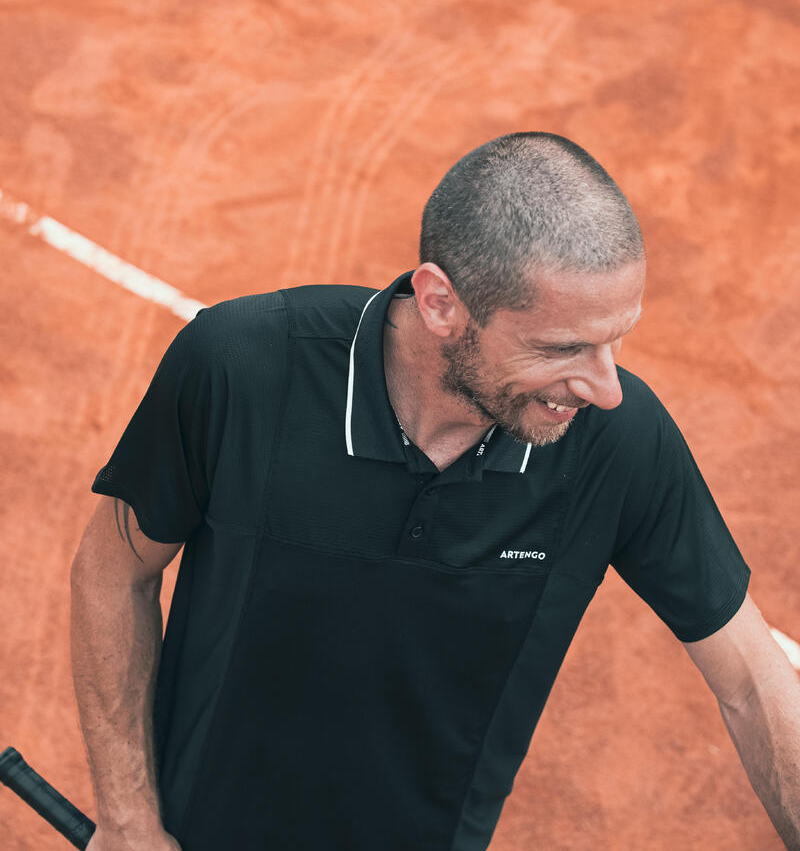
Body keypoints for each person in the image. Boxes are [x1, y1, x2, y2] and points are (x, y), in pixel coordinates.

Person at [70, 131, 800, 851]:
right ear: (440, 303)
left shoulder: (614, 442)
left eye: (614, 341)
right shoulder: (241, 369)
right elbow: (114, 570)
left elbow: (753, 680)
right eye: (561, 348)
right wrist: (129, 821)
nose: (605, 388)